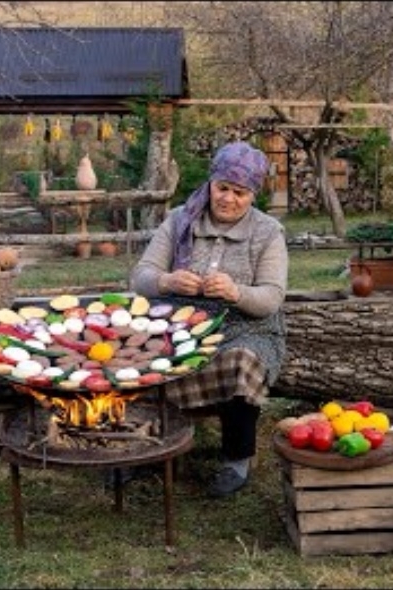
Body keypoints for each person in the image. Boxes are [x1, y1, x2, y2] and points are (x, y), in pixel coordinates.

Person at [130, 141, 288, 498]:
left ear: (253, 195)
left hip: (246, 327)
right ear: (211, 183)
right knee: (140, 357)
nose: (229, 199)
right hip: (181, 324)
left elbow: (271, 298)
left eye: (240, 192)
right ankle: (144, 448)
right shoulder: (179, 220)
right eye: (223, 188)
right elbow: (140, 276)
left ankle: (236, 459)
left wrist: (237, 292)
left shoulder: (267, 233)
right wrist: (166, 281)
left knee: (240, 364)